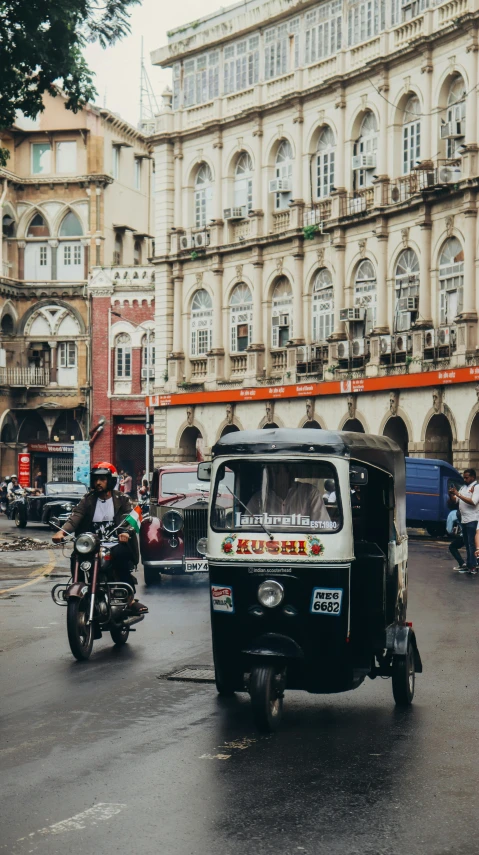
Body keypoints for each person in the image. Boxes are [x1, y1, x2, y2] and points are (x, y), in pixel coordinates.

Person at [52, 461, 147, 614]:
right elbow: (75, 516)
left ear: (110, 480)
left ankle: (130, 600)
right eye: (96, 479)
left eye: (102, 479)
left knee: (122, 558)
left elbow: (128, 518)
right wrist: (62, 532)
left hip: (115, 543)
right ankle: (80, 590)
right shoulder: (88, 499)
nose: (98, 483)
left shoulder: (121, 499)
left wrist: (125, 532)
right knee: (76, 557)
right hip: (92, 544)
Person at [247, 465, 331, 524]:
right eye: (270, 471)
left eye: (276, 470)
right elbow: (246, 526)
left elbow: (323, 526)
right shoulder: (258, 498)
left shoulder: (309, 493)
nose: (272, 475)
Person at [449, 469, 479, 575]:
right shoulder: (463, 487)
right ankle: (469, 565)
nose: (465, 479)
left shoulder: (476, 487)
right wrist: (451, 494)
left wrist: (458, 494)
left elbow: (473, 502)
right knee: (467, 544)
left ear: (473, 477)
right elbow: (455, 500)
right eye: (464, 477)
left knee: (471, 544)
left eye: (467, 477)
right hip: (464, 520)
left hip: (472, 519)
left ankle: (473, 566)